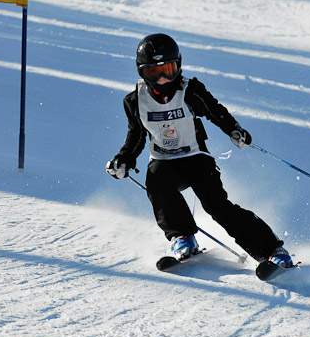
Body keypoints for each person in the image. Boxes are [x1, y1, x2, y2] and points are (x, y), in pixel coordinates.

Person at [106, 33, 293, 267]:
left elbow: (216, 111)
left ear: (179, 66)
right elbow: (136, 134)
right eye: (154, 72)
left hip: (196, 158)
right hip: (164, 160)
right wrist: (124, 159)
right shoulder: (135, 101)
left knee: (217, 206)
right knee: (156, 181)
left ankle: (272, 251)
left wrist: (234, 130)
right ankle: (182, 236)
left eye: (168, 69)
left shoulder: (190, 91)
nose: (163, 78)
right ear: (141, 72)